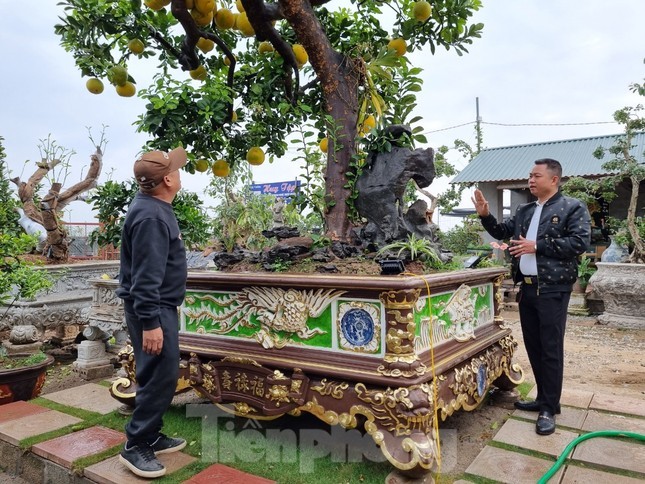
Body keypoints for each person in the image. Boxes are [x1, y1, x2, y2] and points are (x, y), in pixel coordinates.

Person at [472, 158, 591, 436]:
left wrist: (536, 245)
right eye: (529, 175)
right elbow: (503, 232)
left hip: (552, 289)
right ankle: (542, 399)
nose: (531, 180)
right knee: (535, 346)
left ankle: (550, 407)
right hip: (526, 289)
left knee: (551, 348)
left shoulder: (572, 207)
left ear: (554, 179)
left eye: (537, 175)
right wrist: (485, 215)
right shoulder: (525, 209)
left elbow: (579, 242)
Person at [116, 147, 189, 478]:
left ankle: (152, 434)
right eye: (176, 169)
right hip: (152, 308)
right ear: (169, 180)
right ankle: (137, 444)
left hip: (156, 305)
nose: (179, 172)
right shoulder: (151, 216)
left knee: (157, 372)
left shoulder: (152, 206)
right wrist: (151, 323)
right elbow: (146, 276)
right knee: (161, 375)